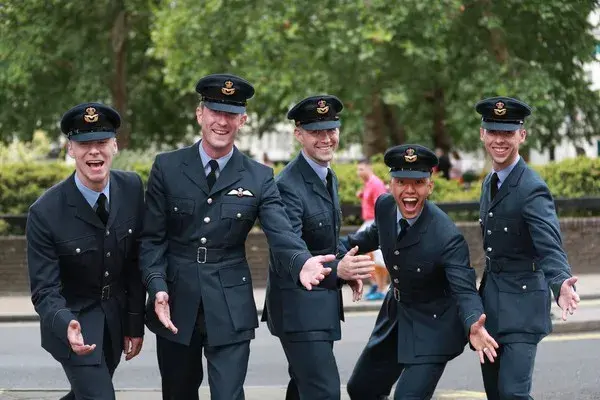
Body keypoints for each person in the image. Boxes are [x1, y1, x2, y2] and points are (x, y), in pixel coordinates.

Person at [139, 74, 336, 400]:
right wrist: (157, 286)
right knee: (178, 393)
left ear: (242, 120)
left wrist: (300, 262)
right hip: (175, 300)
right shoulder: (167, 167)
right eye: (215, 111)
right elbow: (152, 239)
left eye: (231, 114)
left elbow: (281, 230)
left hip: (229, 304)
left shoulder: (258, 176)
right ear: (200, 113)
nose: (222, 121)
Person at [342, 144, 499, 400]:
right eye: (401, 182)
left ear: (430, 187)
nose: (409, 190)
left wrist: (473, 322)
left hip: (433, 322)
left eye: (418, 182)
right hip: (397, 315)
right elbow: (366, 238)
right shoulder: (384, 207)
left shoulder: (446, 236)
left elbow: (464, 289)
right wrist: (332, 260)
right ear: (390, 186)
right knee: (360, 389)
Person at [26, 103, 146, 400]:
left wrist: (134, 324)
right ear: (71, 149)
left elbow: (134, 263)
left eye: (102, 142)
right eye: (84, 144)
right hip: (74, 325)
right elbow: (44, 290)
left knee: (88, 394)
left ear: (115, 146)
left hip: (115, 324)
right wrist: (65, 323)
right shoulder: (45, 212)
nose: (94, 151)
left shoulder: (132, 188)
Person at [262, 95, 375, 400]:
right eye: (316, 132)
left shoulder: (326, 174)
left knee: (303, 388)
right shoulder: (288, 184)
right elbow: (290, 249)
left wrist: (344, 266)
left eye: (331, 130)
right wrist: (340, 268)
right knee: (323, 392)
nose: (326, 139)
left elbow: (325, 243)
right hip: (298, 309)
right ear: (298, 133)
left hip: (318, 306)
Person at [475, 96, 580, 400]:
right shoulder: (489, 183)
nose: (499, 140)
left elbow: (550, 244)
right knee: (496, 393)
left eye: (507, 133)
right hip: (492, 307)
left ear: (522, 135)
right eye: (493, 132)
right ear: (483, 134)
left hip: (523, 307)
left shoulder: (531, 187)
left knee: (513, 394)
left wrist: (560, 283)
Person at [356, 158, 389, 300]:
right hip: (368, 222)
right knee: (361, 253)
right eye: (358, 169)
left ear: (369, 168)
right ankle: (376, 284)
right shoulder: (368, 183)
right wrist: (362, 195)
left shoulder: (376, 184)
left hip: (374, 223)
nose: (359, 172)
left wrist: (379, 227)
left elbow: (382, 205)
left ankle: (381, 288)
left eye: (361, 169)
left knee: (378, 258)